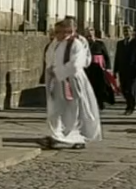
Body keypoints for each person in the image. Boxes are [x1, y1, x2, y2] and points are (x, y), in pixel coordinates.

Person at [42, 17, 101, 149]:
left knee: (72, 109)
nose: (55, 35)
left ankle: (74, 136)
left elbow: (76, 64)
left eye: (58, 32)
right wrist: (50, 70)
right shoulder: (56, 43)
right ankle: (56, 134)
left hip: (71, 80)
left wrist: (58, 71)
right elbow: (49, 57)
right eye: (55, 32)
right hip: (57, 81)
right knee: (55, 109)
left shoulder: (76, 43)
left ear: (67, 31)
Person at [113, 25, 136, 115]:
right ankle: (129, 103)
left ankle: (130, 107)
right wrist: (115, 70)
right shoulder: (120, 43)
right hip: (123, 70)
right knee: (123, 89)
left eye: (128, 31)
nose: (126, 32)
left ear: (132, 32)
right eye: (125, 31)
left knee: (131, 89)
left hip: (133, 71)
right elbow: (117, 57)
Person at [84, 28, 115, 110]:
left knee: (100, 86)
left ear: (93, 34)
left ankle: (100, 102)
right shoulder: (84, 44)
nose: (89, 38)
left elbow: (106, 56)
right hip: (88, 68)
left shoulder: (100, 43)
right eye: (87, 36)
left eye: (90, 36)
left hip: (99, 68)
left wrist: (108, 68)